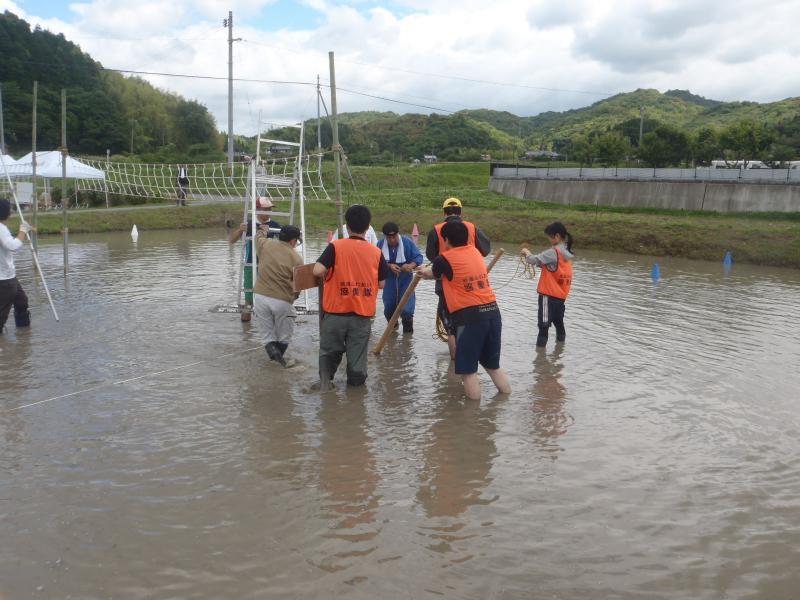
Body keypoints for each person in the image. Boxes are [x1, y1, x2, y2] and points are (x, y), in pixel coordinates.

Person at [418, 221, 510, 401]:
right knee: (493, 367)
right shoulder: (475, 252)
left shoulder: (443, 259)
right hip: (493, 313)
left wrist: (422, 271)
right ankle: (506, 400)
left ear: (445, 240)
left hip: (470, 319)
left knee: (468, 372)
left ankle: (470, 420)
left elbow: (432, 274)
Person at [313, 204, 389, 389]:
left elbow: (317, 270)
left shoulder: (335, 246)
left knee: (329, 352)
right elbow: (381, 284)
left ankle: (325, 385)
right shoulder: (376, 252)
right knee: (358, 358)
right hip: (361, 316)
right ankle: (355, 395)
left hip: (335, 313)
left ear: (347, 226)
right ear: (368, 226)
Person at [425, 197, 491, 359]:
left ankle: (455, 358)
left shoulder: (436, 230)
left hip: (445, 282)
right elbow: (486, 249)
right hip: (471, 283)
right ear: (461, 212)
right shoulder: (472, 228)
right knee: (466, 318)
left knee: (448, 320)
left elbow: (431, 256)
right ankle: (467, 354)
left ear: (444, 212)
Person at [253, 224, 303, 367]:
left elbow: (258, 237)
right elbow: (298, 287)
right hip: (282, 300)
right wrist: (293, 298)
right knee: (284, 338)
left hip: (260, 297)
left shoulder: (265, 244)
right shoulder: (297, 258)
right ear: (293, 241)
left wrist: (263, 230)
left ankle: (274, 361)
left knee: (267, 337)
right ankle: (281, 364)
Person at [521, 221, 574, 348]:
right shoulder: (567, 252)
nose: (549, 240)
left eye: (549, 237)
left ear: (556, 236)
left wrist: (526, 252)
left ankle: (540, 361)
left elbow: (533, 260)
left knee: (543, 327)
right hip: (561, 297)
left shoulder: (553, 252)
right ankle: (560, 350)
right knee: (559, 324)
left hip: (548, 297)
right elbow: (551, 266)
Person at [228, 197, 281, 322]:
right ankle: (246, 332)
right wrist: (240, 230)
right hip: (250, 264)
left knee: (271, 297)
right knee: (249, 299)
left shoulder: (275, 226)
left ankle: (269, 325)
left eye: (270, 209)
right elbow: (231, 241)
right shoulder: (248, 225)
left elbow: (285, 245)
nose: (268, 211)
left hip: (268, 266)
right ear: (257, 210)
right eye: (265, 209)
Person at [376, 221, 424, 333]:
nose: (392, 240)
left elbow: (418, 257)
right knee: (389, 308)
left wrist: (410, 265)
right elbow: (375, 261)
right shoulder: (379, 245)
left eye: (394, 237)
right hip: (389, 280)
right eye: (389, 237)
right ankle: (392, 333)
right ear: (385, 236)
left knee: (407, 310)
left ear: (398, 234)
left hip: (405, 280)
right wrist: (388, 265)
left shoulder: (407, 242)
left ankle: (407, 338)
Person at [0, 199, 32, 334]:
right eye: (10, 209)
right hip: (4, 279)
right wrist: (23, 231)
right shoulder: (1, 229)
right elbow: (13, 246)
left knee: (21, 301)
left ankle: (24, 334)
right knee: (2, 313)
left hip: (9, 275)